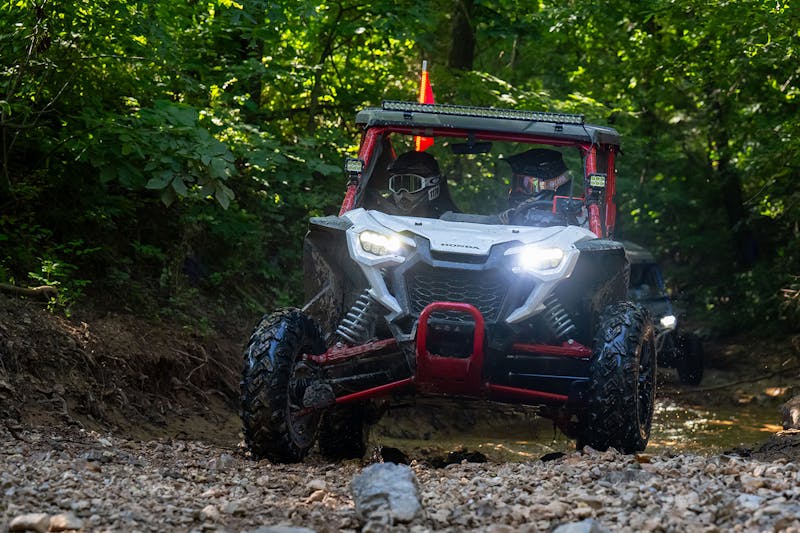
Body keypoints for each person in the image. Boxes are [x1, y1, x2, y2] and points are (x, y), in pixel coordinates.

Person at [499, 148, 576, 226]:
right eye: (517, 183)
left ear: (553, 187)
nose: (518, 191)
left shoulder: (572, 226)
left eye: (528, 185)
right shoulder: (506, 220)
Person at [384, 151, 457, 218]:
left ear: (433, 183)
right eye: (397, 184)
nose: (403, 192)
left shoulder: (452, 221)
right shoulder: (381, 218)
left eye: (410, 185)